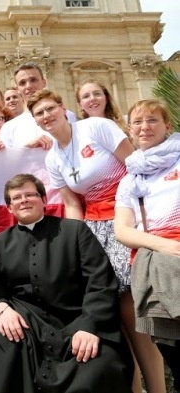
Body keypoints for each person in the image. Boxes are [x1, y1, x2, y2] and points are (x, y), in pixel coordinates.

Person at [28, 89, 165, 393]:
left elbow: (136, 165)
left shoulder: (96, 126)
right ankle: (134, 387)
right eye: (39, 113)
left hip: (127, 213)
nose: (46, 116)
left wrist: (143, 216)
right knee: (111, 309)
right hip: (94, 225)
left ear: (63, 108)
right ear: (35, 121)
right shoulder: (53, 158)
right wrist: (74, 245)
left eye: (50, 108)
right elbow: (73, 204)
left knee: (131, 308)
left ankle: (157, 387)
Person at [0, 174, 133, 393]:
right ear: (9, 207)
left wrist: (90, 326)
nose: (24, 200)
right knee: (4, 336)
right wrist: (2, 308)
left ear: (44, 200)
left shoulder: (75, 231)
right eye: (17, 198)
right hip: (29, 327)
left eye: (30, 195)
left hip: (77, 321)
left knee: (101, 364)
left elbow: (100, 282)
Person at [114, 99, 180, 393]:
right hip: (158, 267)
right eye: (138, 122)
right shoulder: (130, 178)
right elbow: (122, 230)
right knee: (176, 355)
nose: (145, 127)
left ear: (167, 126)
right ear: (129, 130)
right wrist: (165, 246)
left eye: (152, 120)